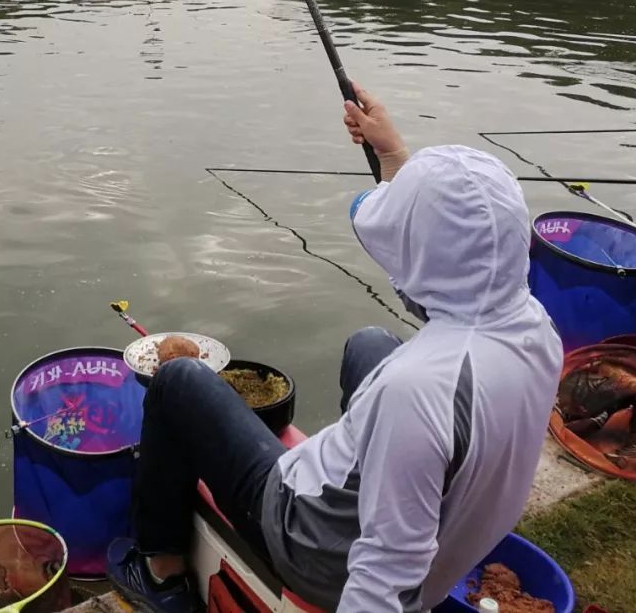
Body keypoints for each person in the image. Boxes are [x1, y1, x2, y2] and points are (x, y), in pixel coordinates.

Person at [106, 85, 562, 613]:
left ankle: (160, 575)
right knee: (370, 343)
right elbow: (460, 242)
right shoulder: (535, 328)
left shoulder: (415, 391)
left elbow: (383, 580)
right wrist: (394, 159)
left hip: (316, 549)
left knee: (178, 380)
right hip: (449, 536)